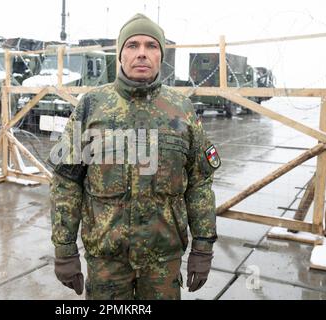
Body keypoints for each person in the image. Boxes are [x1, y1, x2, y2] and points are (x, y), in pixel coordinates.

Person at [49, 13, 220, 300]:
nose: (142, 53)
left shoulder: (182, 110)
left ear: (161, 55)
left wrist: (203, 247)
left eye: (151, 46)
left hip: (163, 263)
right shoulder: (91, 106)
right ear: (120, 54)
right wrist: (64, 250)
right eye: (132, 45)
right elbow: (66, 182)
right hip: (107, 262)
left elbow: (200, 183)